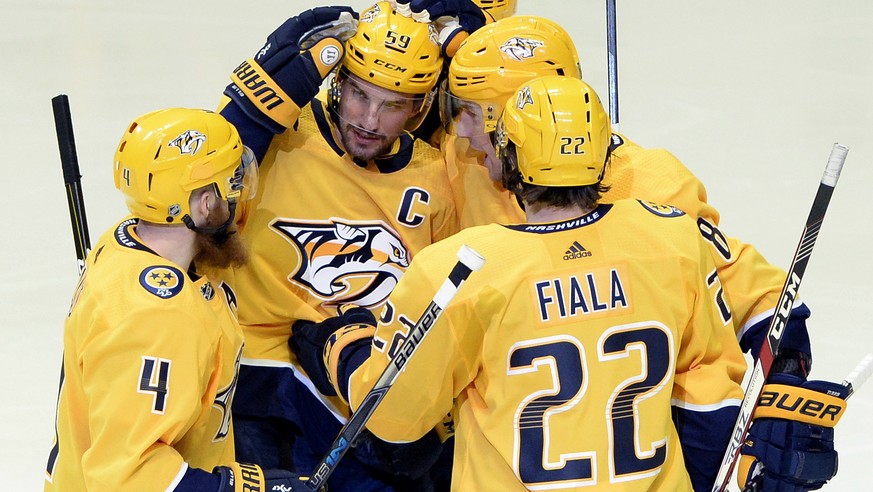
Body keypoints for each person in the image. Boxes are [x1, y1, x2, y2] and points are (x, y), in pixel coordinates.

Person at [435, 16, 851, 490]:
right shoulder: (471, 164)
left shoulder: (648, 188)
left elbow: (741, 287)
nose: (460, 133)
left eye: (471, 113)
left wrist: (785, 379)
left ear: (518, 115)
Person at [313, 75, 748, 490]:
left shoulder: (460, 269)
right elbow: (710, 393)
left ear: (511, 157)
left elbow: (393, 418)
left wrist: (344, 345)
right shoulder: (671, 238)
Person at [216, 2, 466, 490]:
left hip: (359, 388)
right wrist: (248, 110)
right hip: (260, 375)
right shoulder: (282, 136)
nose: (369, 120)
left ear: (420, 107)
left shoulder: (438, 176)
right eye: (359, 94)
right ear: (337, 83)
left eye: (393, 105)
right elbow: (204, 185)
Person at [43, 108, 309, 491]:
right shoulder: (160, 318)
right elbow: (129, 478)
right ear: (205, 204)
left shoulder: (124, 241)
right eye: (233, 183)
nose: (241, 195)